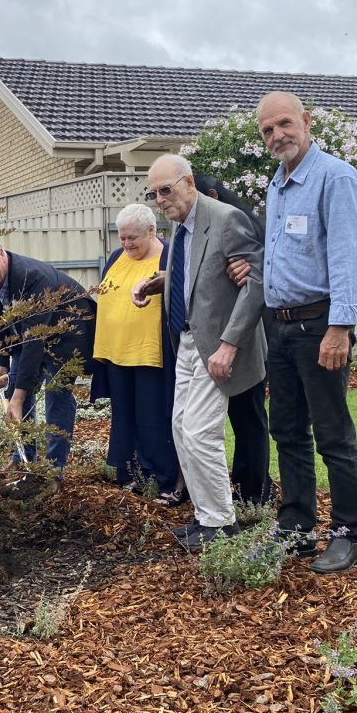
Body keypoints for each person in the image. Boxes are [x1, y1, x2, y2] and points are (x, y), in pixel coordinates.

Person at [230, 91, 357, 574]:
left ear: (307, 122)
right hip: (281, 327)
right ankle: (297, 527)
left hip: (320, 326)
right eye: (267, 130)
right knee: (286, 429)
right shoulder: (278, 183)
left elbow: (353, 260)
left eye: (284, 124)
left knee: (332, 432)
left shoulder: (335, 178)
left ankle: (347, 532)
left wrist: (340, 329)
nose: (277, 136)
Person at [131, 154, 265, 550]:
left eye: (165, 190)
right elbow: (194, 276)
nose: (159, 199)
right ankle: (205, 516)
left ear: (188, 182)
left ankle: (222, 523)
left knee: (200, 432)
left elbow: (256, 282)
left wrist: (229, 345)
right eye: (153, 193)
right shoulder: (180, 227)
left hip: (218, 344)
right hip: (186, 341)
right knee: (179, 428)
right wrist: (159, 283)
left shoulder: (225, 219)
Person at [0, 235, 95, 491]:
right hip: (26, 334)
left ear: (1, 252)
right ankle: (22, 458)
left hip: (67, 334)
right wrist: (0, 363)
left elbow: (35, 340)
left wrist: (20, 395)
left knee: (56, 395)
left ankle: (54, 472)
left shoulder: (33, 277)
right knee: (14, 390)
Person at [193, 174, 274, 508]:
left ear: (212, 196)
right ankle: (247, 487)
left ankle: (254, 491)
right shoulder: (207, 233)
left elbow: (257, 279)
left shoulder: (234, 225)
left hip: (247, 337)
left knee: (249, 416)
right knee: (243, 416)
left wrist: (252, 268)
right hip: (221, 336)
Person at [90, 203, 180, 497]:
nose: (127, 244)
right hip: (116, 353)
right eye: (122, 237)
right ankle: (131, 473)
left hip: (151, 355)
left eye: (133, 238)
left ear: (152, 230)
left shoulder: (169, 256)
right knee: (125, 415)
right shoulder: (117, 257)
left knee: (152, 418)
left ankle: (162, 478)